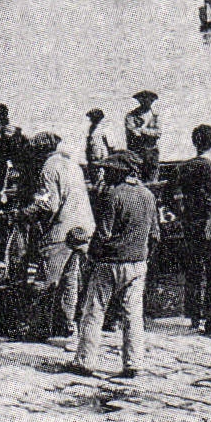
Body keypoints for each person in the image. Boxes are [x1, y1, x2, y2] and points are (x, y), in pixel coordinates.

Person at [71, 151, 159, 379]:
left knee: (94, 311)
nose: (105, 173)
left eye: (109, 170)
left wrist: (91, 257)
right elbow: (155, 235)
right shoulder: (149, 195)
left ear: (122, 171)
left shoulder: (113, 195)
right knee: (133, 314)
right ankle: (134, 363)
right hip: (138, 263)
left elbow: (103, 233)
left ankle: (85, 361)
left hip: (110, 263)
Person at [19, 131, 95, 340]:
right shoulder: (73, 165)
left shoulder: (48, 168)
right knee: (71, 279)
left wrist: (24, 214)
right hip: (84, 228)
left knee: (44, 281)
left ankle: (36, 328)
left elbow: (48, 204)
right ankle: (69, 325)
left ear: (39, 152)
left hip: (62, 232)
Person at [173, 124, 211, 335]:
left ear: (194, 142)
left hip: (191, 224)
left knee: (194, 271)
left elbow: (170, 196)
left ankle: (194, 317)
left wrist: (182, 213)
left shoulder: (183, 168)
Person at [123, 91, 161, 183]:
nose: (146, 101)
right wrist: (149, 133)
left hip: (151, 153)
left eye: (150, 99)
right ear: (139, 100)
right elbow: (134, 133)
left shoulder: (155, 116)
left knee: (152, 180)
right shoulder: (131, 116)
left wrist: (142, 130)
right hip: (136, 153)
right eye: (143, 99)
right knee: (136, 179)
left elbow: (158, 133)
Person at [83, 108, 111, 187]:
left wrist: (105, 156)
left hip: (101, 155)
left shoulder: (103, 129)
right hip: (93, 155)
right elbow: (89, 143)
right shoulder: (91, 128)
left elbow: (108, 144)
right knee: (94, 175)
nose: (91, 120)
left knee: (101, 175)